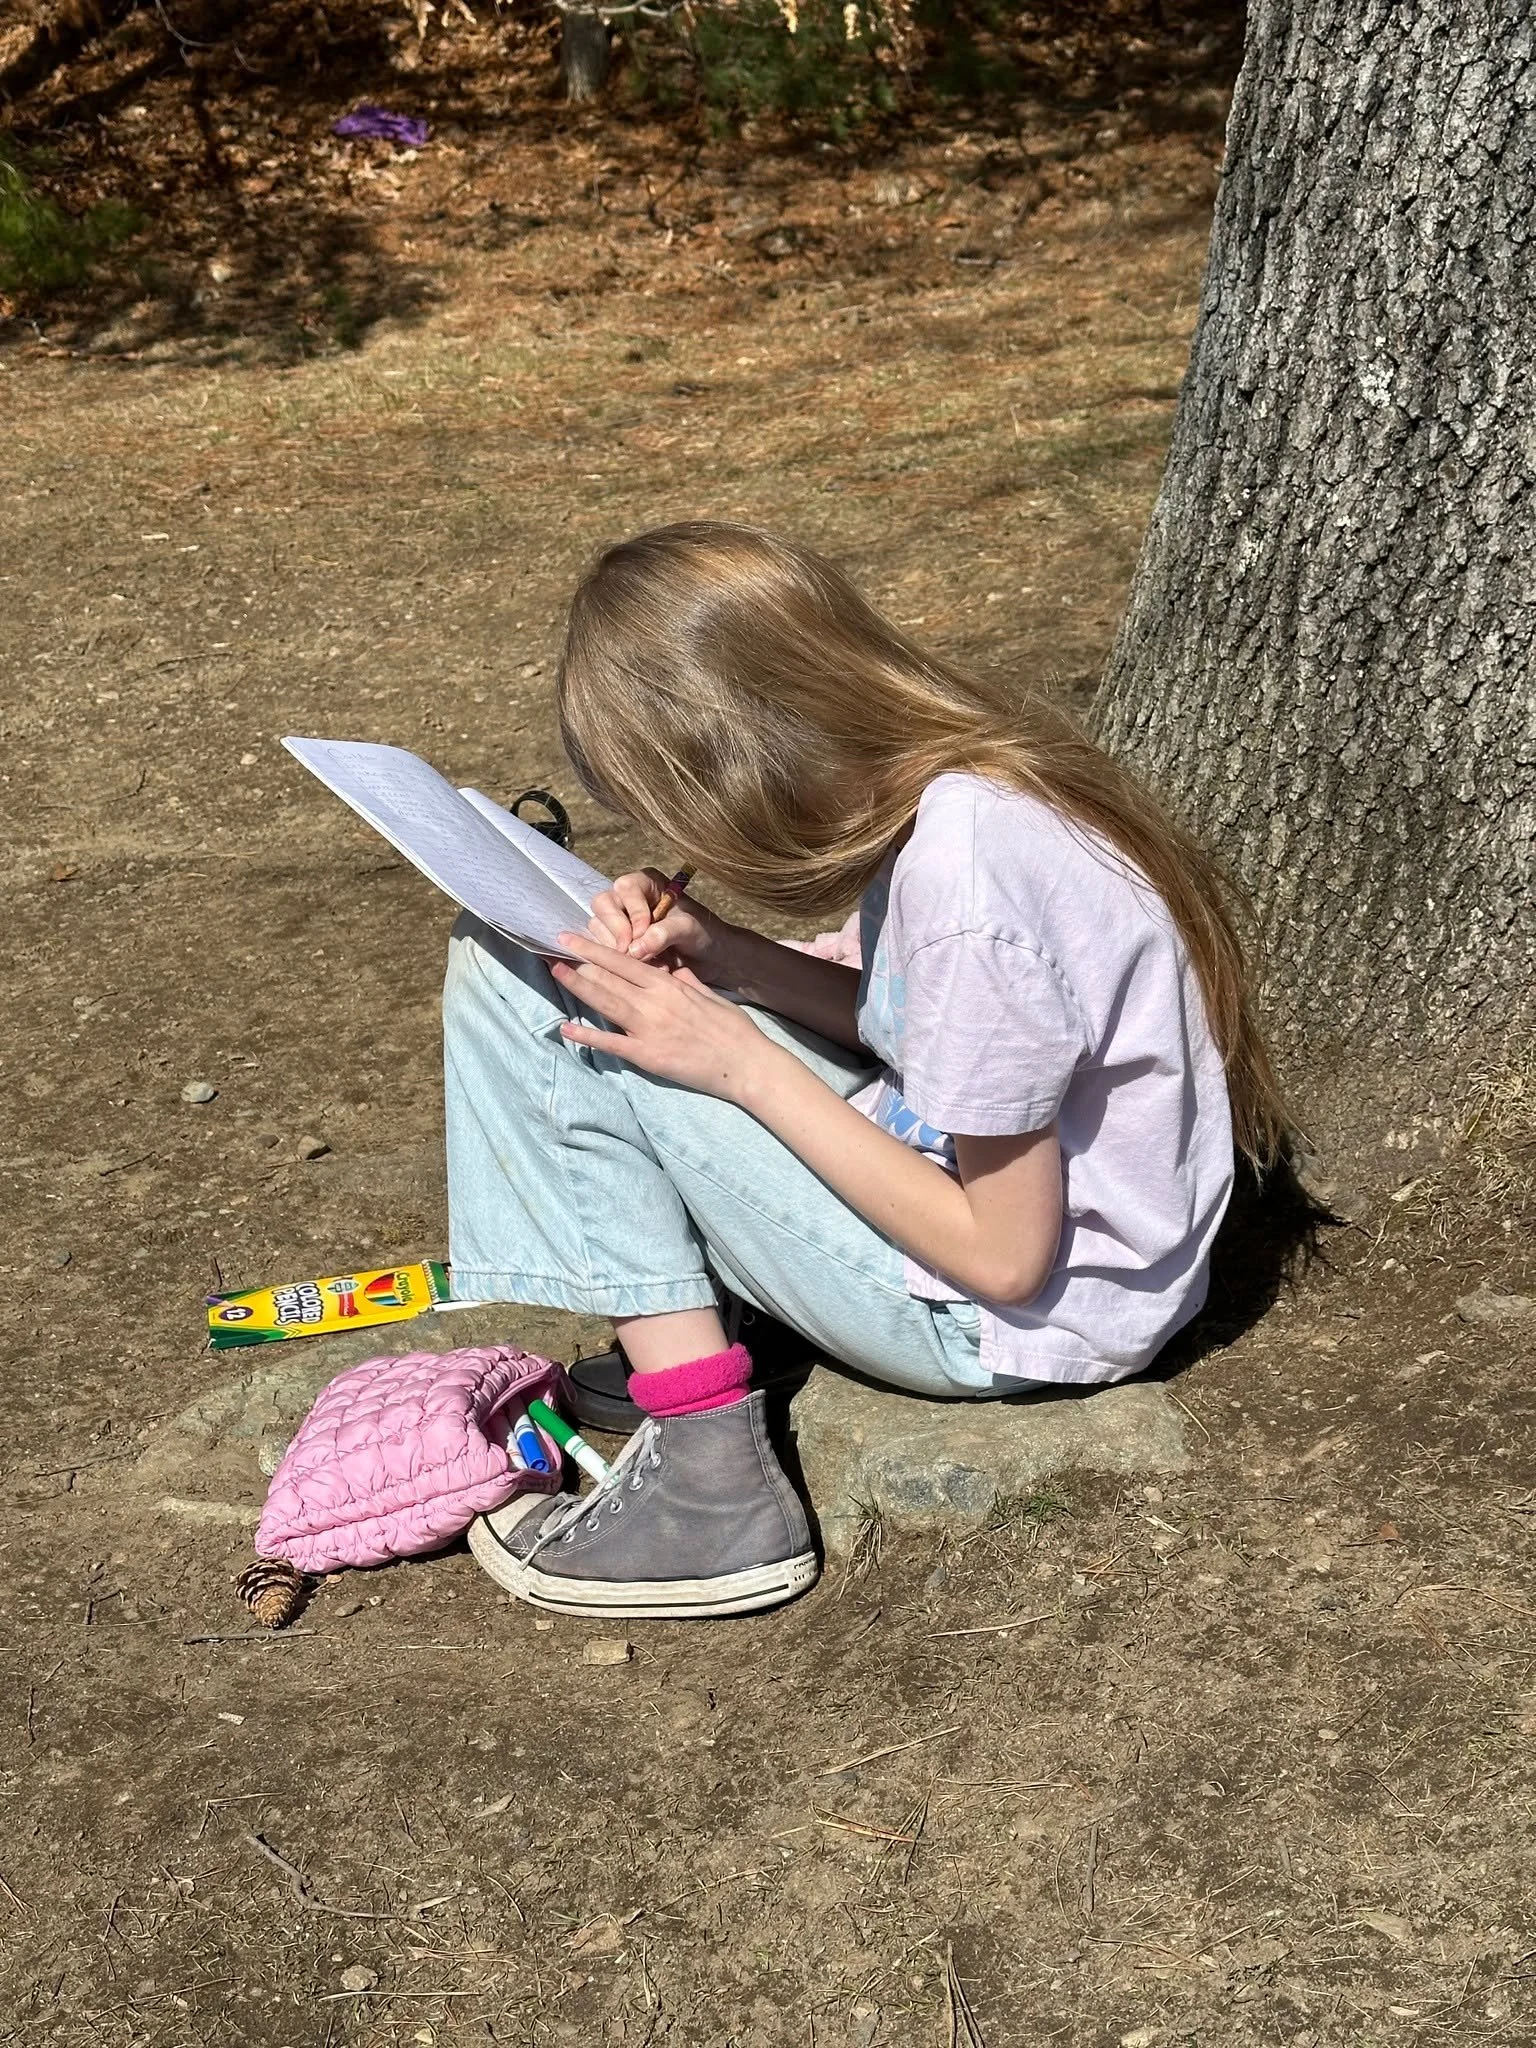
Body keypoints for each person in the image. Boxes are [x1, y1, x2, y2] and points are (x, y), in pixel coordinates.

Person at [446, 523, 1286, 1621]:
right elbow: (925, 1035)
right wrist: (728, 956)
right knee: (562, 967)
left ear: (731, 760)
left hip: (1003, 1322)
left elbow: (1005, 1259)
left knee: (529, 984)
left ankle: (705, 1478)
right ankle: (697, 1326)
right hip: (1016, 1240)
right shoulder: (971, 795)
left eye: (665, 805)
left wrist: (740, 1061)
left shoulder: (966, 889)